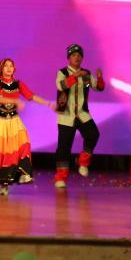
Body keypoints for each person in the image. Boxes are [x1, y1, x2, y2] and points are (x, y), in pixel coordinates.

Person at [0, 58, 53, 195]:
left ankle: (23, 172)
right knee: (4, 151)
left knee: (24, 142)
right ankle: (4, 184)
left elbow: (31, 96)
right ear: (1, 69)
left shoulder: (18, 84)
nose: (9, 68)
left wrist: (48, 104)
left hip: (14, 119)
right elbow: (0, 98)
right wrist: (16, 101)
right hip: (0, 121)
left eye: (11, 66)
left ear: (14, 69)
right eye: (6, 66)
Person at [53, 43, 104, 188]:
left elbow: (98, 87)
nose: (77, 57)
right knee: (64, 147)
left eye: (79, 55)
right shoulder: (62, 72)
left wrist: (99, 78)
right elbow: (61, 85)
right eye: (74, 55)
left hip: (82, 113)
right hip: (66, 115)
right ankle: (61, 177)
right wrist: (75, 76)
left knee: (93, 134)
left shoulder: (86, 74)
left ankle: (83, 162)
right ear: (69, 58)